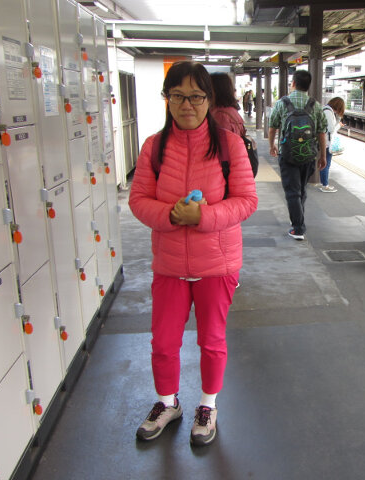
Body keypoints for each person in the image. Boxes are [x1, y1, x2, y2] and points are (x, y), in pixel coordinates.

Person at [129, 61, 258, 446]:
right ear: (167, 99)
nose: (188, 104)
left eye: (197, 96)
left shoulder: (229, 145)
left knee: (212, 340)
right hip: (169, 263)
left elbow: (247, 201)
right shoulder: (154, 147)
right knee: (163, 341)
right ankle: (167, 403)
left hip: (217, 263)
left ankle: (207, 405)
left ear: (208, 99)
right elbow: (137, 201)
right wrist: (170, 214)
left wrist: (201, 215)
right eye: (178, 96)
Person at [268, 70, 327, 240]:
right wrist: (322, 156)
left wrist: (272, 145)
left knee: (292, 191)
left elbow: (273, 127)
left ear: (293, 83)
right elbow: (321, 133)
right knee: (301, 189)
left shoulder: (282, 103)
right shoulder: (315, 105)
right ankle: (298, 219)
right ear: (308, 86)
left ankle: (298, 227)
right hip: (309, 155)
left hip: (288, 154)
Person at [320, 97, 346, 192]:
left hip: (325, 141)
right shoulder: (328, 112)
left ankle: (324, 183)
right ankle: (325, 185)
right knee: (326, 164)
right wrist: (339, 125)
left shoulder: (326, 110)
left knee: (325, 163)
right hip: (326, 142)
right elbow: (331, 129)